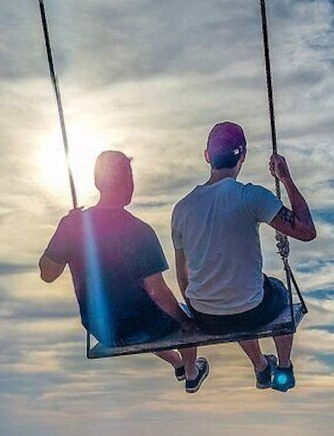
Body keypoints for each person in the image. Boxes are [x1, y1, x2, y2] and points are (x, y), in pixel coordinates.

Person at [39, 150, 209, 393]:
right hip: (141, 325)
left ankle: (177, 364)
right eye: (129, 177)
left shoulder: (72, 226)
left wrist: (64, 230)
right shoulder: (139, 231)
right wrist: (187, 323)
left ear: (98, 183)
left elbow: (47, 273)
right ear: (128, 183)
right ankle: (192, 372)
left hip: (104, 329)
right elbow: (157, 291)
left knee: (141, 314)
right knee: (179, 315)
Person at [171, 122, 316, 391]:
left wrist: (196, 306)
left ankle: (261, 367)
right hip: (250, 311)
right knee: (274, 291)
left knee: (237, 292)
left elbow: (183, 276)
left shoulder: (181, 209)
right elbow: (307, 231)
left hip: (205, 315)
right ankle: (283, 367)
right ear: (243, 156)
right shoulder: (251, 197)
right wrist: (285, 178)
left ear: (207, 156)